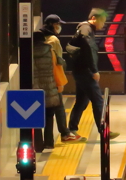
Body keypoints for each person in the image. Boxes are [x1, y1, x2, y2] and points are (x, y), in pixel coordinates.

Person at [33, 14, 84, 149]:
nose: (59, 27)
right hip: (51, 84)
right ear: (52, 25)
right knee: (56, 109)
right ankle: (62, 135)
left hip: (35, 87)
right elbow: (57, 65)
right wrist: (60, 82)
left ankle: (42, 143)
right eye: (57, 24)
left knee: (42, 115)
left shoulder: (28, 54)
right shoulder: (51, 45)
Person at [67, 8, 106, 135]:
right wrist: (94, 70)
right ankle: (104, 130)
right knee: (98, 100)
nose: (103, 24)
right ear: (93, 18)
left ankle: (72, 129)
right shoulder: (86, 29)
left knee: (82, 101)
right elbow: (88, 48)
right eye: (102, 21)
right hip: (85, 71)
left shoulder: (85, 29)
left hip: (80, 70)